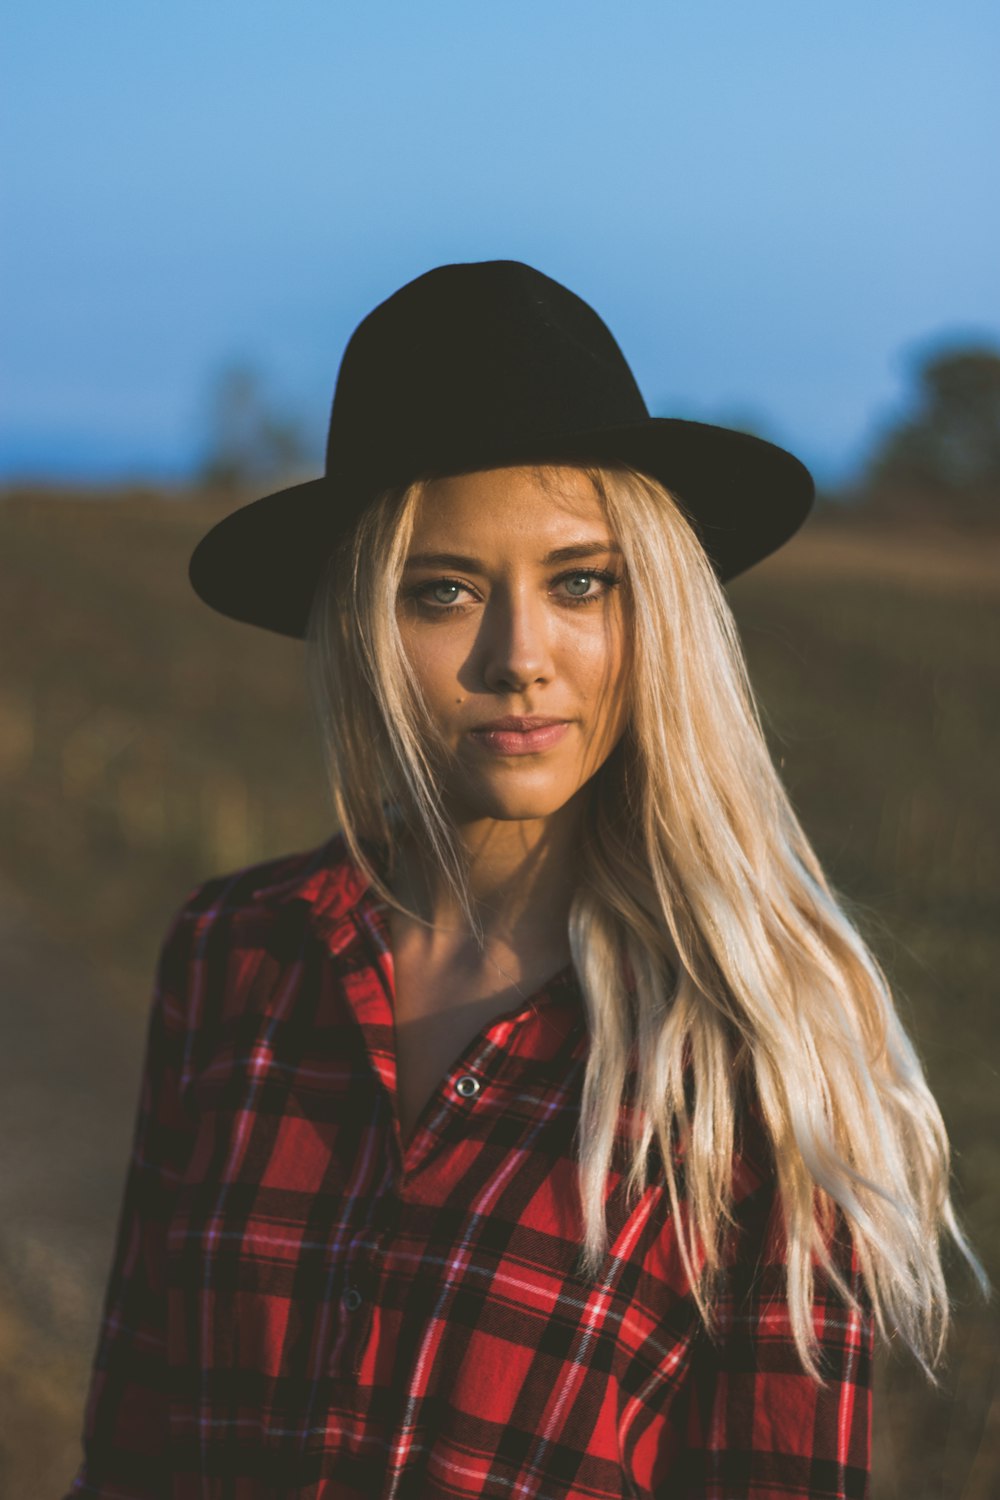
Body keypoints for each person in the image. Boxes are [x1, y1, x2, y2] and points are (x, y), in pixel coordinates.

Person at [62, 260, 987, 1499]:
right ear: (359, 623)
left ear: (652, 608)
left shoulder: (747, 1047)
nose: (518, 660)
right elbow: (133, 1446)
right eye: (442, 592)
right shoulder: (235, 954)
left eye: (579, 582)